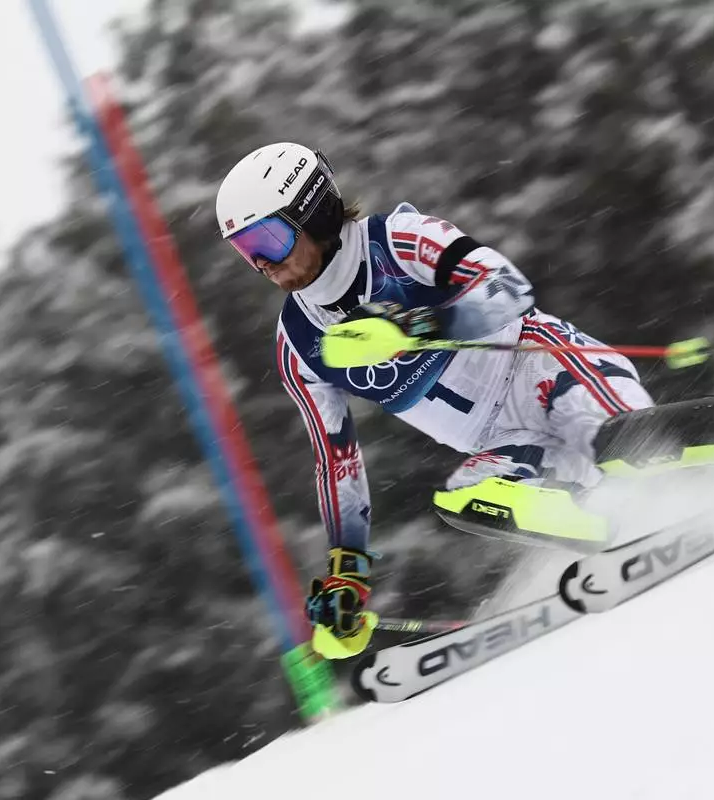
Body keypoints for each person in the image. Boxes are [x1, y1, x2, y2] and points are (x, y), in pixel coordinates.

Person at [214, 142, 653, 656]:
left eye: (269, 238)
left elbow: (507, 288)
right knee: (467, 498)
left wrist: (416, 324)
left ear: (314, 211)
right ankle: (626, 531)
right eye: (247, 250)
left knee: (626, 447)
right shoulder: (299, 344)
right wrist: (347, 573)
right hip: (508, 440)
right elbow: (337, 462)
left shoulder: (399, 240)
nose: (264, 263)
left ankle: (696, 466)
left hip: (547, 371)